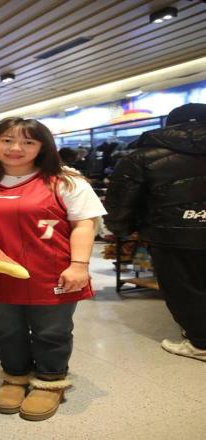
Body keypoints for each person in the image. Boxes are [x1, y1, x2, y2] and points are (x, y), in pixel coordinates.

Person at [0, 117, 106, 421]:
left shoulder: (66, 181)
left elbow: (84, 224)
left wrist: (79, 265)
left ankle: (50, 381)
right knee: (5, 330)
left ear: (43, 147)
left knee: (51, 331)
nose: (16, 148)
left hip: (51, 272)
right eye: (7, 140)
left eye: (28, 142)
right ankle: (14, 377)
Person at [104, 103, 206, 362]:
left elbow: (121, 200)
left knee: (184, 287)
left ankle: (201, 343)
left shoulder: (142, 156)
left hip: (172, 234)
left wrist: (120, 229)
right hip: (171, 232)